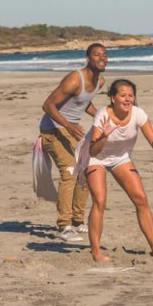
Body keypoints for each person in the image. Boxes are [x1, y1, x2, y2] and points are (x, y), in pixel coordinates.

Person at [83, 79, 153, 263]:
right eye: (123, 95)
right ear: (112, 98)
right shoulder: (102, 115)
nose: (127, 99)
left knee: (141, 199)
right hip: (95, 157)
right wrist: (104, 135)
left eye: (130, 96)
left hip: (121, 158)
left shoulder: (138, 114)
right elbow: (93, 150)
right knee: (100, 201)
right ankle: (96, 251)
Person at [39, 43, 107, 243]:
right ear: (88, 58)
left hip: (70, 129)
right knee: (69, 171)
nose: (101, 58)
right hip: (52, 130)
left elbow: (84, 102)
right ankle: (64, 226)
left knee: (86, 170)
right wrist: (68, 125)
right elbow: (47, 105)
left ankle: (77, 221)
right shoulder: (74, 79)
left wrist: (102, 117)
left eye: (104, 54)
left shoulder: (99, 81)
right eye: (96, 55)